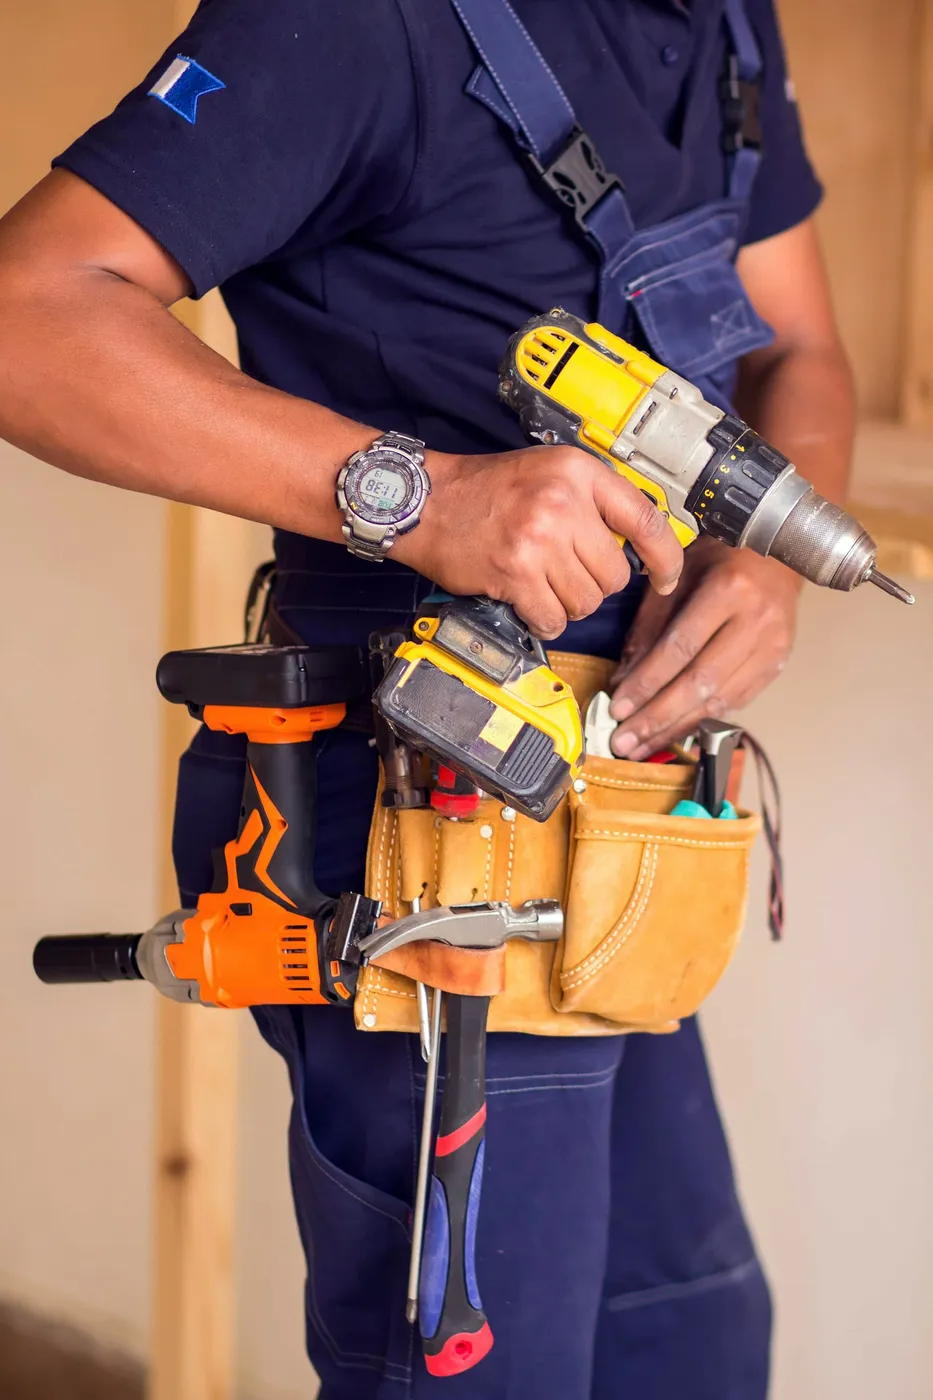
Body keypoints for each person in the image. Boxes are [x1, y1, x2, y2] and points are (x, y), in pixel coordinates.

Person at [0, 1, 854, 1395]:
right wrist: (423, 497)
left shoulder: (727, 21)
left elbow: (796, 348)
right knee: (483, 1370)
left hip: (625, 819)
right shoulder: (355, 22)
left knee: (684, 1344)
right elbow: (26, 314)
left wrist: (769, 558)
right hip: (437, 836)